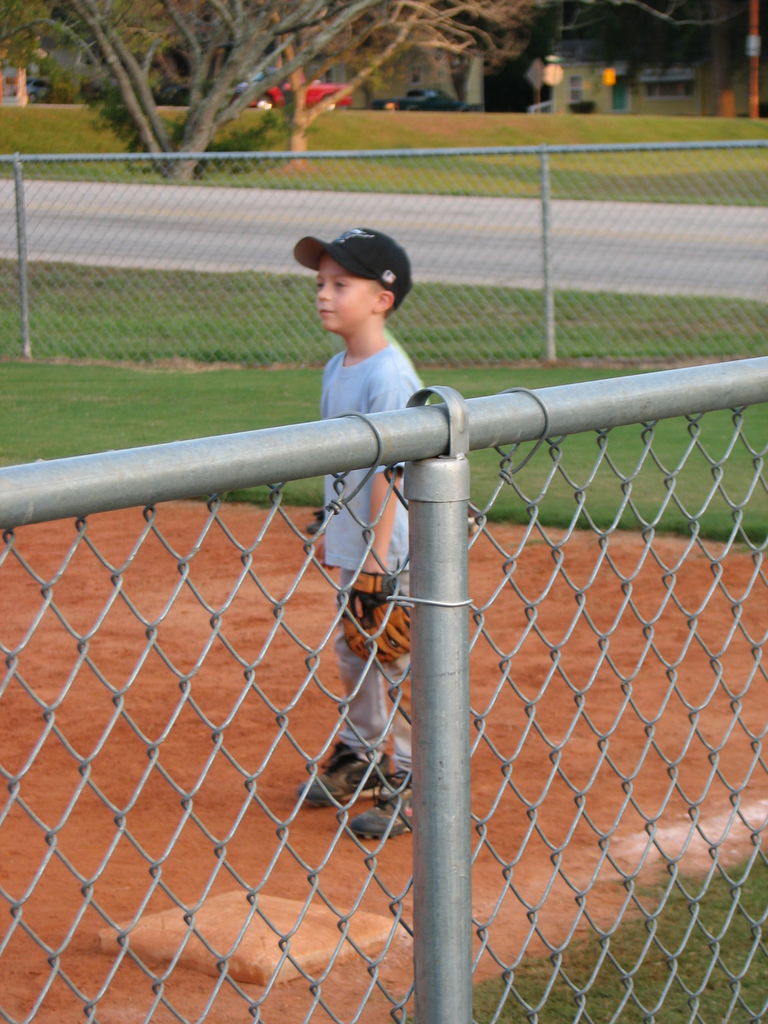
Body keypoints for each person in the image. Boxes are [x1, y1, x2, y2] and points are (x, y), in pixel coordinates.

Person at [293, 227, 422, 839]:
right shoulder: (338, 367)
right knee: (354, 650)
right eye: (320, 283)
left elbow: (393, 470)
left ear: (382, 299)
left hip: (388, 544)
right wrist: (333, 525)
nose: (323, 294)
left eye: (340, 284)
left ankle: (422, 782)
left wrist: (375, 555)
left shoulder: (389, 376)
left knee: (398, 660)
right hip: (358, 539)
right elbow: (342, 458)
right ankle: (363, 753)